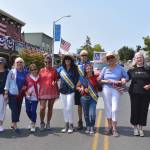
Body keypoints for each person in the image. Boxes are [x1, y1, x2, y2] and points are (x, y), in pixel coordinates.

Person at [98, 51, 128, 137]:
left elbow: (126, 77)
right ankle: (109, 126)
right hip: (106, 88)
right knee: (108, 108)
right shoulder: (104, 69)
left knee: (114, 109)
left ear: (115, 59)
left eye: (112, 58)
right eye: (109, 58)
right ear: (107, 60)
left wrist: (122, 80)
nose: (110, 59)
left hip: (116, 89)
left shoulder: (120, 68)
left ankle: (114, 128)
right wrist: (106, 81)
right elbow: (99, 79)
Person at [127, 52, 150, 137]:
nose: (139, 59)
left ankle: (141, 129)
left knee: (143, 111)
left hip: (146, 94)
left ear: (143, 58)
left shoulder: (148, 68)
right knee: (135, 110)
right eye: (137, 58)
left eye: (140, 57)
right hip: (134, 93)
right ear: (135, 59)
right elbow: (125, 79)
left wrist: (149, 85)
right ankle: (135, 128)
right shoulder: (131, 69)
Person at [4, 57, 28, 132]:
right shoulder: (12, 72)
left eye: (20, 62)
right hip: (12, 93)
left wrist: (26, 86)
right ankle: (15, 124)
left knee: (18, 109)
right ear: (15, 63)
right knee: (14, 109)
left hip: (21, 94)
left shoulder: (25, 72)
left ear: (23, 63)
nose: (19, 63)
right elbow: (7, 82)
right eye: (17, 62)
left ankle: (13, 122)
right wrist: (6, 92)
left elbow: (28, 81)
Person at [57, 55, 79, 133]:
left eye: (69, 59)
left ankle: (71, 124)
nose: (67, 60)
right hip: (62, 91)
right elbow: (55, 77)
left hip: (71, 91)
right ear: (64, 60)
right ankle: (66, 124)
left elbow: (78, 79)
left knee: (69, 108)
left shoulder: (75, 69)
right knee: (64, 108)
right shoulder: (60, 68)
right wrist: (53, 81)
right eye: (66, 59)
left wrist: (76, 86)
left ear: (71, 60)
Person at [76, 64, 99, 134]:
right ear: (85, 70)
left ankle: (92, 126)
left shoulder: (95, 77)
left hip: (93, 98)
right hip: (84, 98)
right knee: (86, 114)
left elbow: (99, 87)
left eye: (90, 68)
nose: (89, 70)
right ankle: (88, 126)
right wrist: (81, 89)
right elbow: (77, 86)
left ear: (92, 69)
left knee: (92, 114)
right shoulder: (82, 78)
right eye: (87, 69)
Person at [39, 55, 59, 130]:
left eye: (49, 62)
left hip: (52, 91)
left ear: (51, 62)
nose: (48, 63)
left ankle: (48, 123)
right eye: (46, 62)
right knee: (42, 108)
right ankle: (41, 122)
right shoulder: (41, 70)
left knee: (50, 108)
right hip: (43, 91)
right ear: (44, 62)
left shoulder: (54, 70)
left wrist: (55, 81)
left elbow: (56, 79)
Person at [75, 50, 91, 130]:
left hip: (87, 88)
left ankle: (88, 122)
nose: (84, 56)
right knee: (79, 105)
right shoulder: (76, 64)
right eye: (82, 55)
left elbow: (91, 76)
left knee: (87, 105)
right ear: (80, 56)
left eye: (85, 55)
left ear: (87, 56)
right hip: (79, 87)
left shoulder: (90, 64)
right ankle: (80, 121)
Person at [25, 64, 39, 132]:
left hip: (36, 97)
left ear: (37, 69)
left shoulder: (40, 77)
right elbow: (24, 86)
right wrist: (26, 93)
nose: (34, 71)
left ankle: (33, 123)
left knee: (33, 111)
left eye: (35, 69)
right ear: (30, 71)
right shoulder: (27, 77)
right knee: (28, 111)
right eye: (32, 70)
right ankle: (32, 120)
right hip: (28, 97)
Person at [0, 57, 8, 132]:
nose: (0, 64)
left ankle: (0, 125)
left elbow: (8, 83)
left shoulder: (7, 72)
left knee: (2, 110)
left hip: (3, 94)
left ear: (4, 63)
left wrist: (6, 93)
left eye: (1, 63)